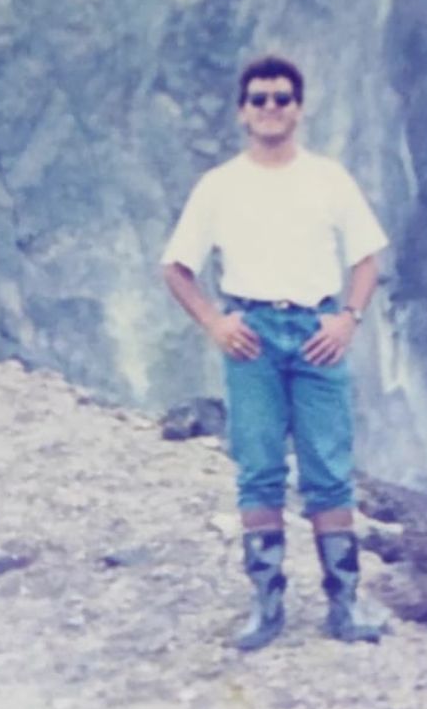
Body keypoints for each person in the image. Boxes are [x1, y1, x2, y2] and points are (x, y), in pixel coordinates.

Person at [159, 54, 388, 650]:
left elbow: (367, 259)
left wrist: (348, 319)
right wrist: (214, 322)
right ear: (242, 111)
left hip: (317, 331)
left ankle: (345, 606)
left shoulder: (329, 179)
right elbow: (176, 266)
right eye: (258, 98)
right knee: (259, 467)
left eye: (281, 98)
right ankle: (267, 607)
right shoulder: (219, 186)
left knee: (328, 469)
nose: (270, 107)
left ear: (299, 108)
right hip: (252, 335)